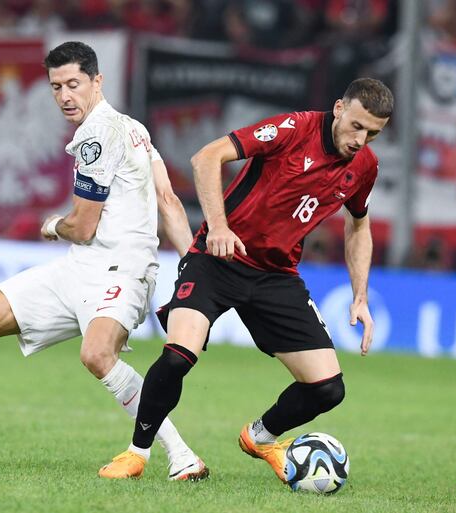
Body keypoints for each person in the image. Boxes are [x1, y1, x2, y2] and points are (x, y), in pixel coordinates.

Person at [0, 41, 209, 482]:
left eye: (74, 84)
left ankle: (181, 454)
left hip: (121, 270)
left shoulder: (95, 136)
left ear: (97, 81)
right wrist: (193, 262)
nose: (65, 96)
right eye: (56, 87)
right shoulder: (134, 129)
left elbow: (83, 226)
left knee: (97, 355)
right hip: (79, 268)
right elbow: (168, 200)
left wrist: (53, 226)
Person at [98, 78, 393, 480]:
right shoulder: (293, 129)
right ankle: (137, 454)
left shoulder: (365, 166)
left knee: (327, 388)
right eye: (357, 126)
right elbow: (207, 157)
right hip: (218, 259)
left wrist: (360, 296)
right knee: (178, 355)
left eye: (373, 133)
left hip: (276, 275)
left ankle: (260, 437)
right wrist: (218, 227)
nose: (361, 140)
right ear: (339, 108)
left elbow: (358, 225)